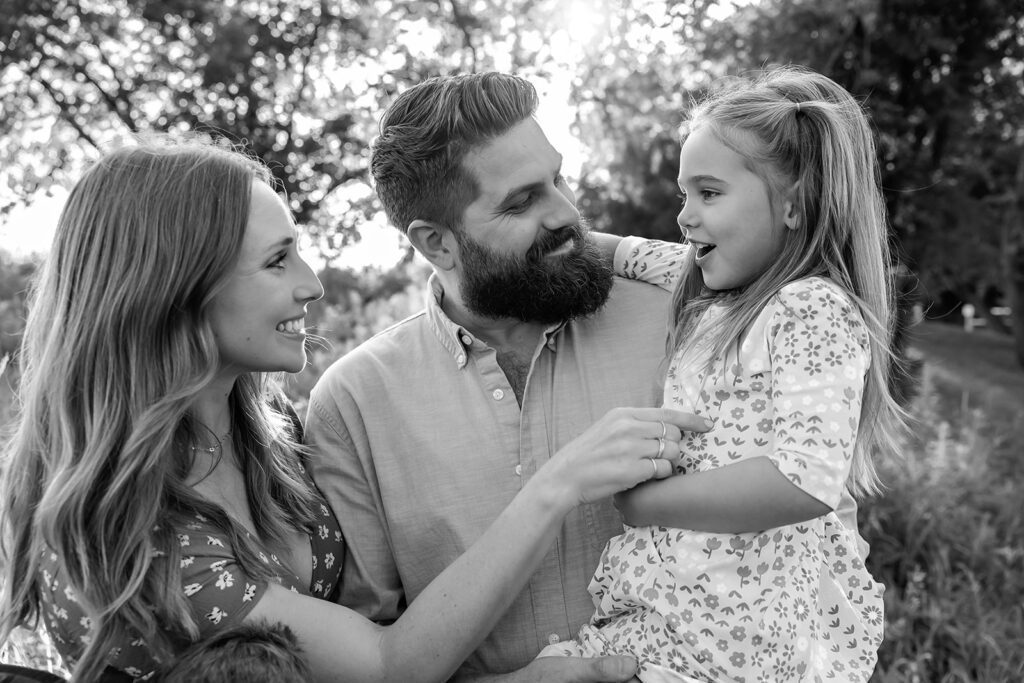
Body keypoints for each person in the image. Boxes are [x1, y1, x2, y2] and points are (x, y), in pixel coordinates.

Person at [0, 135, 709, 682]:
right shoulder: (132, 534)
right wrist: (557, 483)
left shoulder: (269, 438)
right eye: (277, 261)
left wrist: (579, 246)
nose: (311, 284)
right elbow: (385, 666)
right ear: (172, 290)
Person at [304, 72, 694, 681]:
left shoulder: (679, 319)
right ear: (437, 243)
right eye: (520, 202)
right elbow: (364, 659)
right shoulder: (354, 401)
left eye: (558, 178)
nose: (566, 212)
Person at [538, 65, 906, 681]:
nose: (684, 216)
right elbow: (620, 250)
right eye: (685, 195)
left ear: (793, 205)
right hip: (691, 603)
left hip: (745, 629)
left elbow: (802, 480)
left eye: (708, 194)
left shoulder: (810, 307)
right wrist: (542, 234)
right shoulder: (711, 290)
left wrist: (645, 502)